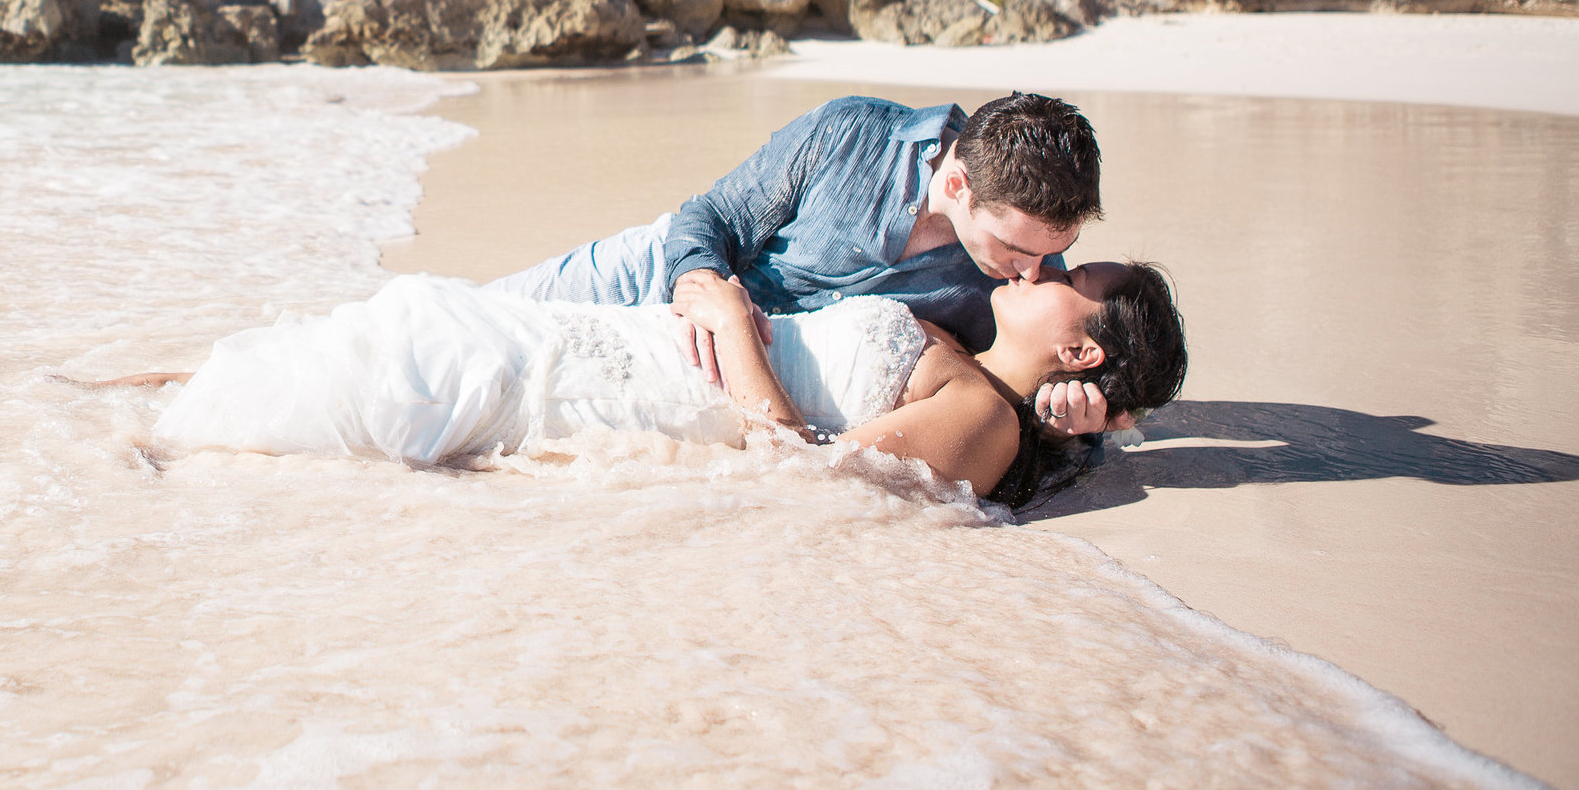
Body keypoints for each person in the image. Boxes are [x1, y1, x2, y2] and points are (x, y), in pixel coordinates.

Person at [135, 260, 1187, 508]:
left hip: (636, 387)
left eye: (1071, 282)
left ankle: (78, 440)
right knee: (384, 340)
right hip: (615, 337)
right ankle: (74, 409)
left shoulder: (983, 421)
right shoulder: (965, 349)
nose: (1046, 268)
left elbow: (805, 478)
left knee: (404, 371)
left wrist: (731, 319)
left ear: (1082, 349)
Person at [484, 91, 1129, 436]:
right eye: (1017, 249)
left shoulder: (1021, 279)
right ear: (957, 186)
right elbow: (713, 215)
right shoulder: (851, 131)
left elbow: (1010, 380)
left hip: (742, 365)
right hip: (658, 269)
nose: (1033, 273)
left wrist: (1079, 421)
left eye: (1051, 255)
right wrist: (701, 282)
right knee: (468, 319)